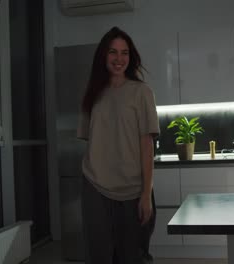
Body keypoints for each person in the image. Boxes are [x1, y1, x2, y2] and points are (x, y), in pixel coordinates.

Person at [77, 26, 159, 264]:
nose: (119, 59)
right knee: (99, 256)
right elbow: (91, 141)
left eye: (124, 53)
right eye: (113, 52)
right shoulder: (92, 93)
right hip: (95, 185)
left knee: (132, 256)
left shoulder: (142, 92)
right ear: (103, 55)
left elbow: (147, 145)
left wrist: (146, 195)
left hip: (132, 189)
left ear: (130, 57)